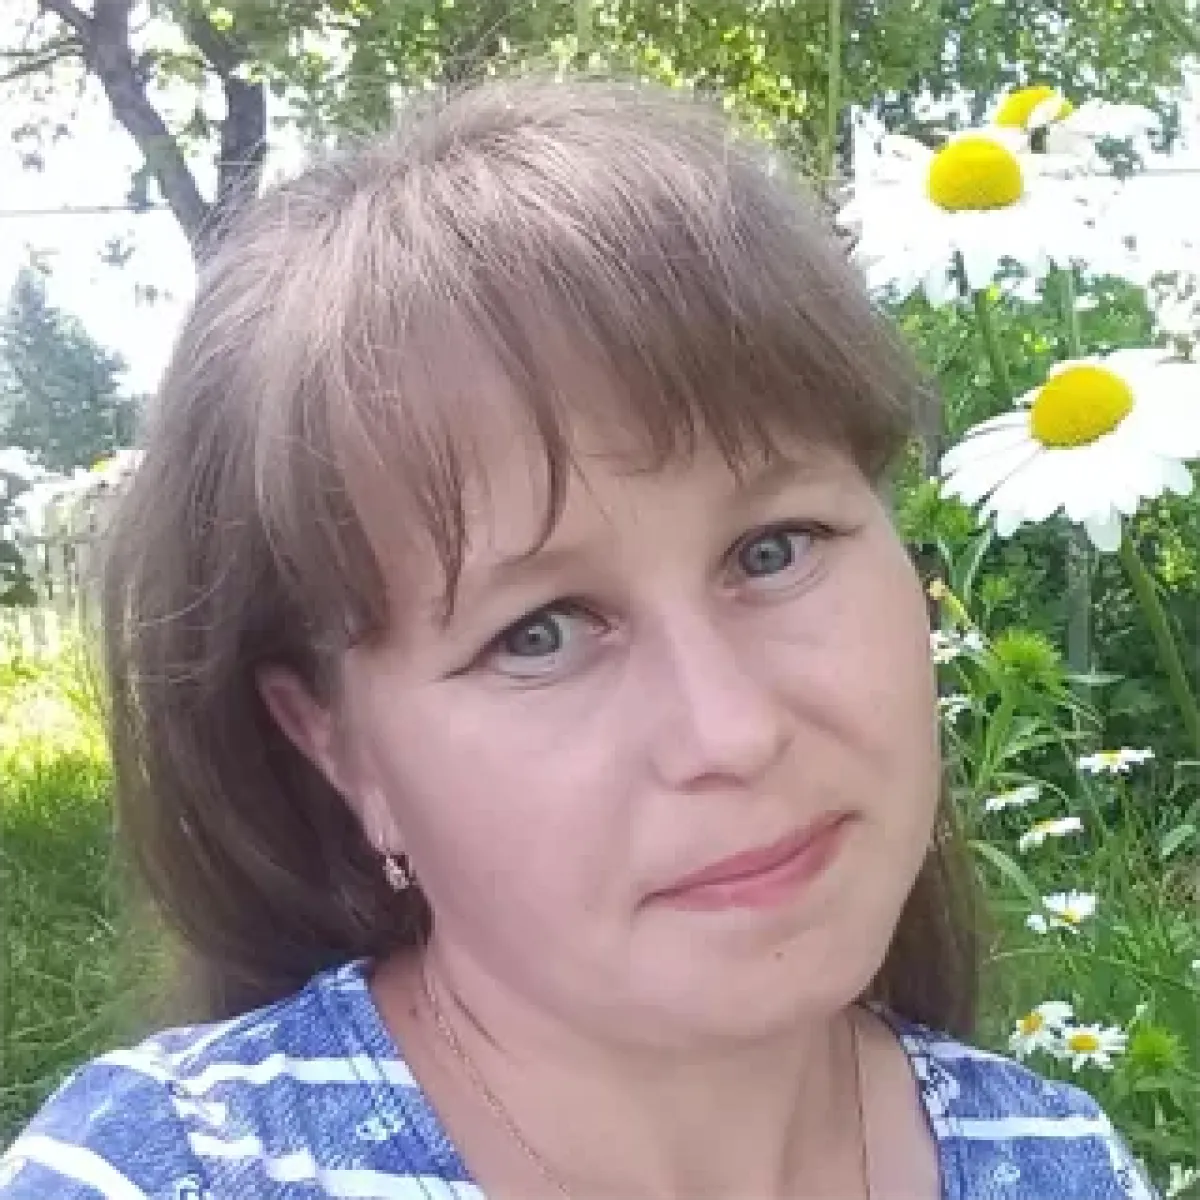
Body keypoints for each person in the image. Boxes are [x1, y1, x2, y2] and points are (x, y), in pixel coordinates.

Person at [0, 76, 1155, 1200]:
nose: (733, 731)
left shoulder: (1061, 1161)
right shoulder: (166, 1173)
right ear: (336, 745)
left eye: (774, 549)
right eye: (538, 633)